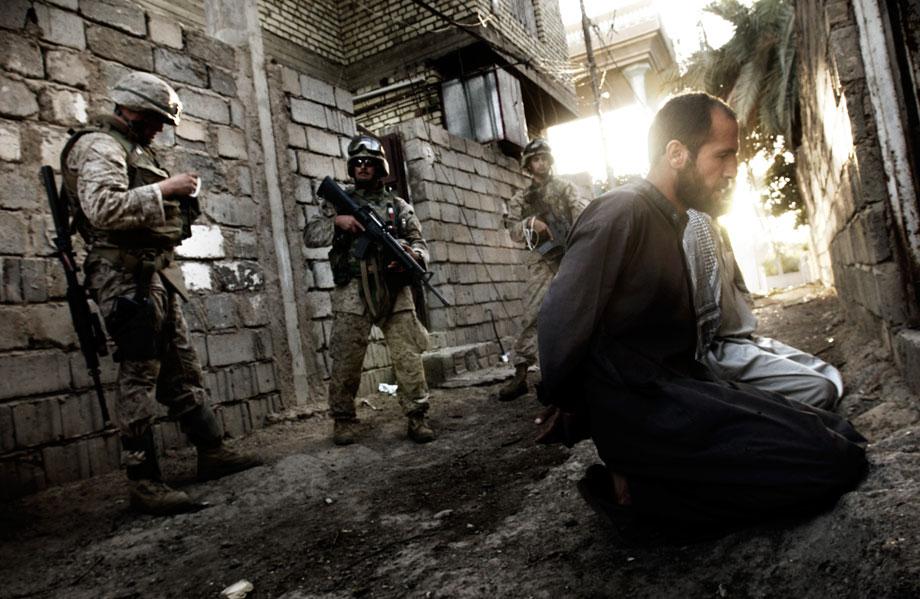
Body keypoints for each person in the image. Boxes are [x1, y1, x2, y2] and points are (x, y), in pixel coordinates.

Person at [537, 92, 867, 530]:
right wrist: (583, 414)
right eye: (723, 155)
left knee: (839, 432)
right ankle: (643, 496)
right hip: (645, 414)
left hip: (683, 392)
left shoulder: (674, 221)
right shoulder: (622, 211)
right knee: (832, 463)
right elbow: (559, 331)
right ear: (677, 153)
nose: (732, 170)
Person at [61, 72, 261, 515]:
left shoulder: (130, 147)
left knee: (180, 361)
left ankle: (211, 450)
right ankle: (143, 480)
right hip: (123, 276)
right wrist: (165, 189)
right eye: (154, 119)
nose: (158, 129)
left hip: (153, 271)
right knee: (139, 372)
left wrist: (178, 200)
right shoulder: (100, 147)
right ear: (129, 109)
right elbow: (104, 208)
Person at [304, 134, 435, 446]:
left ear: (379, 167)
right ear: (352, 168)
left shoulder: (398, 206)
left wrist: (414, 257)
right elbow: (311, 235)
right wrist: (339, 221)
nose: (363, 167)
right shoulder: (336, 202)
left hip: (393, 288)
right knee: (347, 356)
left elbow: (420, 245)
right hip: (353, 288)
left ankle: (417, 416)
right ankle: (343, 419)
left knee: (407, 355)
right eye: (358, 162)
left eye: (369, 163)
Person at [683, 207, 844, 409]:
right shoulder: (693, 226)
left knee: (826, 373)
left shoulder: (715, 224)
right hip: (717, 352)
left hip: (742, 341)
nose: (730, 176)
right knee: (820, 389)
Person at [498, 139, 589, 401]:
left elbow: (581, 215)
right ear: (528, 165)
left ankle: (574, 375)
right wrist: (531, 223)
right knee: (532, 316)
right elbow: (513, 232)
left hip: (570, 258)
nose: (542, 164)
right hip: (541, 261)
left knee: (576, 315)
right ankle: (521, 373)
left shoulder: (565, 188)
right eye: (536, 159)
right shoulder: (521, 198)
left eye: (545, 158)